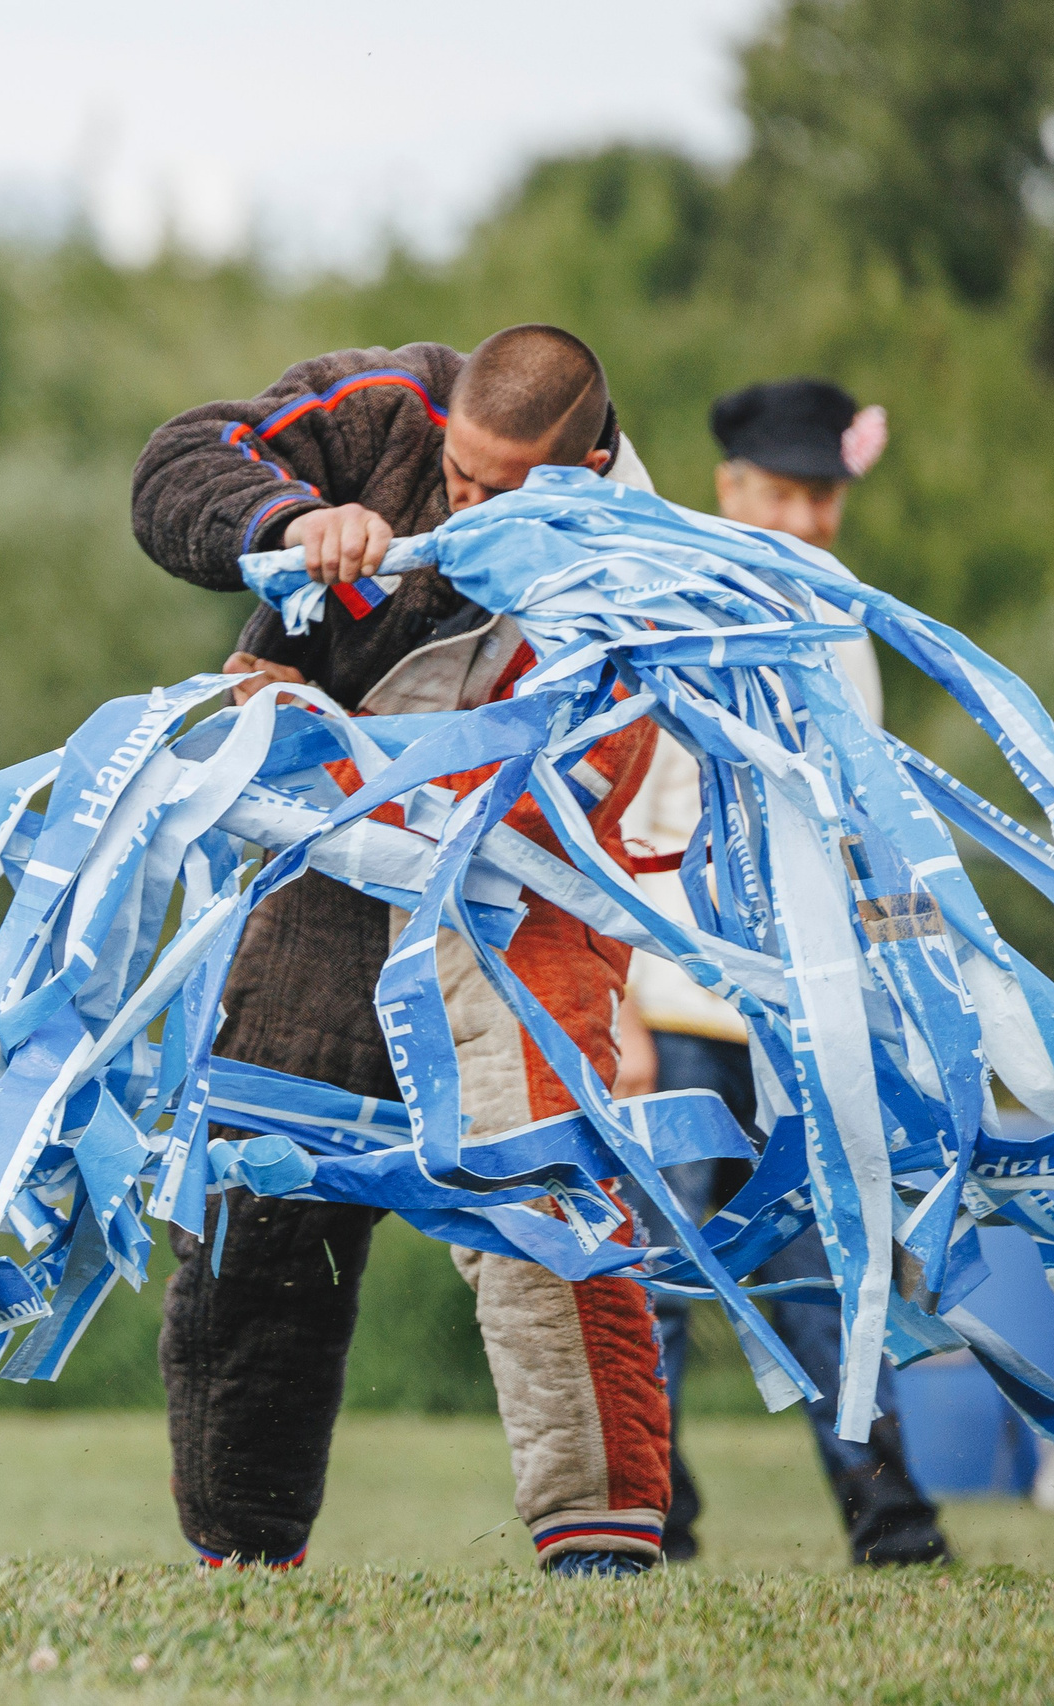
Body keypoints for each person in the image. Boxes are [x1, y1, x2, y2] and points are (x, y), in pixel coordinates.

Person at [130, 326, 673, 1577]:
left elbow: (597, 765)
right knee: (261, 1182)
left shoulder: (642, 560)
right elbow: (176, 465)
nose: (462, 500)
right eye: (455, 473)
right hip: (318, 862)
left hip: (511, 881)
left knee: (543, 1193)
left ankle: (599, 1547)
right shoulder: (379, 407)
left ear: (586, 462)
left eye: (500, 490)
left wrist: (377, 771)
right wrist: (282, 520)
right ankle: (243, 1553)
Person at [617, 378, 954, 1567]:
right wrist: (615, 1007)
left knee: (819, 1279)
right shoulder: (666, 616)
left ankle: (891, 1523)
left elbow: (858, 822)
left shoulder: (841, 627)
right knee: (651, 1286)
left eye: (827, 496)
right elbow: (611, 823)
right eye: (791, 493)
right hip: (674, 1001)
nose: (812, 518)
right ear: (731, 489)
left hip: (799, 1019)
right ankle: (647, 1518)